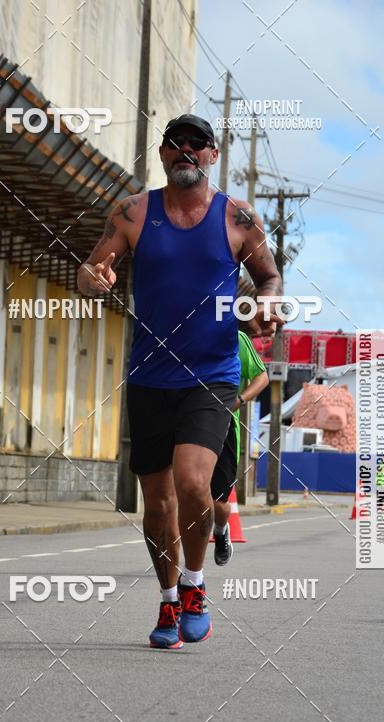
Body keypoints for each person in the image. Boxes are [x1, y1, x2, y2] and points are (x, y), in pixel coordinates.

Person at [77, 114, 282, 649]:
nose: (185, 149)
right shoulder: (132, 212)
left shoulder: (238, 217)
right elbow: (89, 272)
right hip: (149, 376)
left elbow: (269, 276)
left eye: (197, 143)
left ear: (213, 154)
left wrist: (266, 304)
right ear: (163, 153)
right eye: (175, 142)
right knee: (159, 505)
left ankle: (194, 586)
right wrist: (95, 278)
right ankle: (168, 600)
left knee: (193, 483)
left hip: (211, 374)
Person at [211, 331, 269, 565]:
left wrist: (239, 401)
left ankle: (220, 530)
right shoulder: (184, 331)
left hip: (224, 427)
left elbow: (261, 377)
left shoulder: (237, 339)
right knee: (186, 491)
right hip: (187, 422)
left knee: (219, 502)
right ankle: (189, 574)